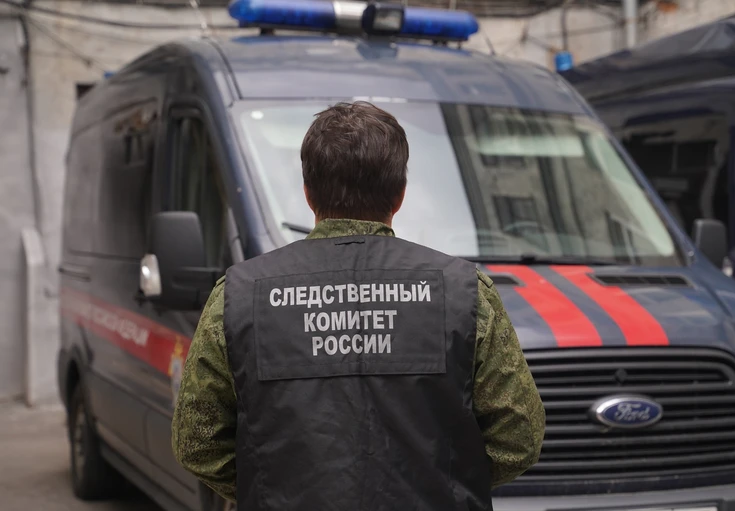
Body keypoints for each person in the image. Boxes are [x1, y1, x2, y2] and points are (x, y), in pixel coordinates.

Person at [171, 101, 545, 510]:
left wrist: (272, 487)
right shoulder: (465, 292)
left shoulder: (239, 296)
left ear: (308, 193)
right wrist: (443, 484)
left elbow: (198, 442)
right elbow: (518, 437)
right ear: (399, 195)